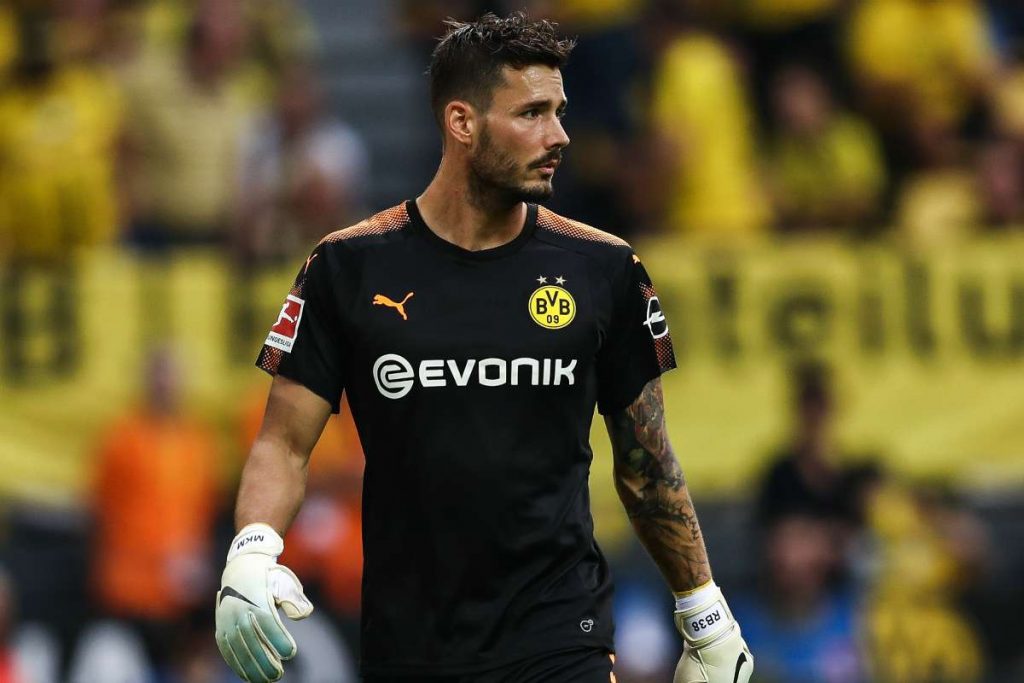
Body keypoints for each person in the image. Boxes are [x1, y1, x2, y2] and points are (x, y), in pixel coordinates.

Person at [214, 13, 752, 683]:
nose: (559, 135)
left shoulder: (603, 268)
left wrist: (705, 614)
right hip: (408, 643)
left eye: (559, 111)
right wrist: (253, 551)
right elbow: (285, 443)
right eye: (532, 113)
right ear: (462, 123)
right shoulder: (349, 266)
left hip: (561, 637)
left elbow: (647, 460)